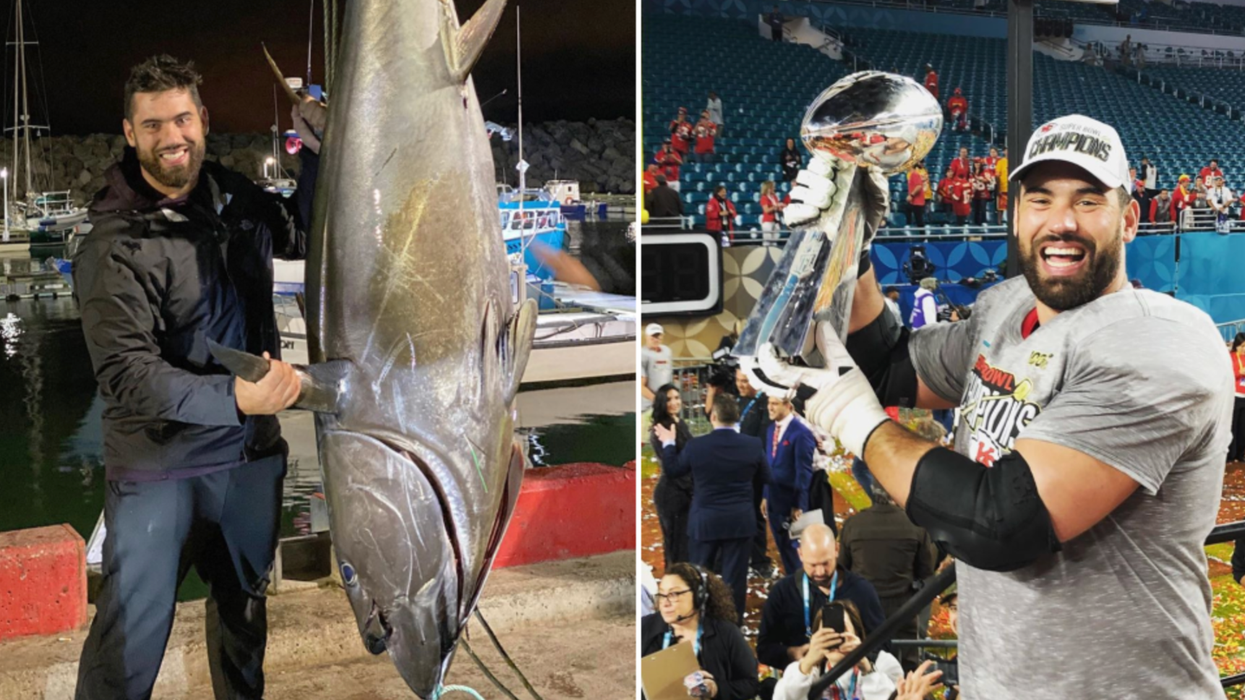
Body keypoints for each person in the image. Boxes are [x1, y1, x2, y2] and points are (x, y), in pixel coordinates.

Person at [765, 113, 1234, 698]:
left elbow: (1002, 524)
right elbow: (889, 365)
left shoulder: (1159, 344)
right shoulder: (1008, 306)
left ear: (1130, 220)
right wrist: (853, 241)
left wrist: (853, 419)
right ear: (1015, 214)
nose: (1061, 222)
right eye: (1040, 200)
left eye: (1089, 201)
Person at [71, 55, 320, 700]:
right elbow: (127, 374)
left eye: (182, 117)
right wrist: (233, 394)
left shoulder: (235, 197)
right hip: (162, 471)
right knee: (131, 635)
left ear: (203, 120)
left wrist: (317, 153)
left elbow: (303, 231)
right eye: (153, 125)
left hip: (248, 458)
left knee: (243, 619)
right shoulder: (111, 243)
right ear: (130, 133)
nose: (171, 135)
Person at [656, 395, 770, 619]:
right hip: (740, 521)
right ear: (736, 417)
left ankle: (697, 620)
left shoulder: (696, 446)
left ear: (713, 416)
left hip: (704, 522)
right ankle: (731, 625)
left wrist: (669, 443)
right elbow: (766, 477)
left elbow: (672, 469)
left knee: (697, 576)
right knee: (734, 579)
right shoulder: (753, 445)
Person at [756, 524, 886, 670]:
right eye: (812, 565)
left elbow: (882, 646)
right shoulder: (783, 592)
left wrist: (858, 653)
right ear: (800, 555)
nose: (820, 571)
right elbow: (764, 649)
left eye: (826, 563)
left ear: (836, 550)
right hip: (804, 685)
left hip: (853, 683)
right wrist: (792, 653)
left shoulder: (862, 590)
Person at [838, 483, 937, 672]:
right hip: (904, 612)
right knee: (907, 670)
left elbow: (843, 571)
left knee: (866, 667)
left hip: (863, 613)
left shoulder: (853, 525)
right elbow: (926, 572)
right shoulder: (915, 526)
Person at [641, 563, 761, 700]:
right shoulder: (644, 629)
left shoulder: (725, 632)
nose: (665, 603)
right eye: (662, 595)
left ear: (698, 596)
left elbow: (751, 684)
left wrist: (716, 689)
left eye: (674, 594)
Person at [771, 600, 904, 700]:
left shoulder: (883, 662)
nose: (835, 636)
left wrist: (866, 668)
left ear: (856, 632)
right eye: (826, 633)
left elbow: (893, 697)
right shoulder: (805, 670)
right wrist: (807, 663)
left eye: (842, 629)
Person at [764, 395, 818, 575]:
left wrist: (799, 505)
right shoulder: (771, 429)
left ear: (788, 405)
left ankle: (804, 589)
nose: (770, 408)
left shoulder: (801, 433)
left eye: (775, 404)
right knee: (783, 549)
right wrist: (765, 495)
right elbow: (768, 465)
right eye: (769, 403)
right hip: (774, 499)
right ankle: (792, 583)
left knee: (796, 551)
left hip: (792, 504)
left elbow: (804, 472)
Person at [736, 369, 777, 578]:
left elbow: (762, 445)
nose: (740, 385)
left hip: (755, 472)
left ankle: (760, 561)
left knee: (756, 516)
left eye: (744, 381)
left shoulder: (764, 405)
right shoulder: (740, 402)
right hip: (739, 471)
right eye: (738, 381)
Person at [650, 384, 695, 570]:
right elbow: (673, 467)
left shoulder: (679, 423)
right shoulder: (661, 429)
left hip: (685, 491)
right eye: (669, 399)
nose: (675, 402)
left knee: (685, 541)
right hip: (672, 494)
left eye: (677, 397)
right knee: (676, 544)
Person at [641, 323, 673, 414]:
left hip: (666, 403)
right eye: (653, 336)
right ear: (647, 336)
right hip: (647, 406)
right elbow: (641, 385)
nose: (656, 339)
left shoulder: (667, 351)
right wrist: (657, 401)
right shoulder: (642, 354)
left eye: (658, 336)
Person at [1231, 333, 1245, 464]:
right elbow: (1228, 373)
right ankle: (1231, 454)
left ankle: (1241, 453)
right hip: (1234, 395)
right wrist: (1239, 373)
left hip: (1244, 396)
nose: (1244, 349)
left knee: (1243, 427)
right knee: (1233, 426)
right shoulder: (1231, 357)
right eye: (1242, 346)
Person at [761, 179, 784, 244]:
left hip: (776, 221)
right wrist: (776, 206)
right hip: (768, 221)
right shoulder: (764, 198)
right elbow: (766, 210)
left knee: (775, 241)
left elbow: (777, 208)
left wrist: (781, 207)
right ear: (768, 188)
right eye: (773, 187)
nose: (774, 188)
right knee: (767, 241)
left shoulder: (774, 197)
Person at [970, 161, 993, 226]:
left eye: (978, 163)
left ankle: (983, 222)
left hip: (983, 193)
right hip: (975, 193)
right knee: (976, 209)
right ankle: (975, 223)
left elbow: (989, 180)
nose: (977, 165)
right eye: (976, 163)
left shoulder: (985, 172)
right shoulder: (972, 173)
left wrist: (980, 179)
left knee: (983, 208)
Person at [906, 163, 927, 229]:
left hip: (917, 202)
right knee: (907, 209)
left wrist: (911, 195)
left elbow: (919, 186)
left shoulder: (915, 174)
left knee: (919, 220)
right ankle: (908, 226)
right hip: (913, 202)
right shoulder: (912, 175)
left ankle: (923, 237)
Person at [996, 147, 1009, 223]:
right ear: (1004, 152)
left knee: (1013, 207)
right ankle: (999, 223)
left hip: (1013, 188)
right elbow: (997, 175)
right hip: (1002, 188)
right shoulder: (1000, 162)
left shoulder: (1015, 161)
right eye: (1006, 151)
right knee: (1000, 208)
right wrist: (998, 188)